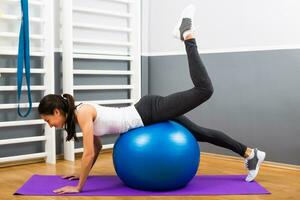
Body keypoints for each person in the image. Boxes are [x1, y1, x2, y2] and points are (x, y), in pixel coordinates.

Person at [38, 5, 265, 194]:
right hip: (148, 113)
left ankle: (188, 35)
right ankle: (249, 154)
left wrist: (79, 187)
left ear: (57, 112)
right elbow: (95, 149)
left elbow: (87, 153)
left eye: (48, 120)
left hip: (149, 112)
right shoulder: (80, 117)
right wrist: (79, 173)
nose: (50, 125)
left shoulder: (82, 112)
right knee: (199, 133)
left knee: (205, 89)